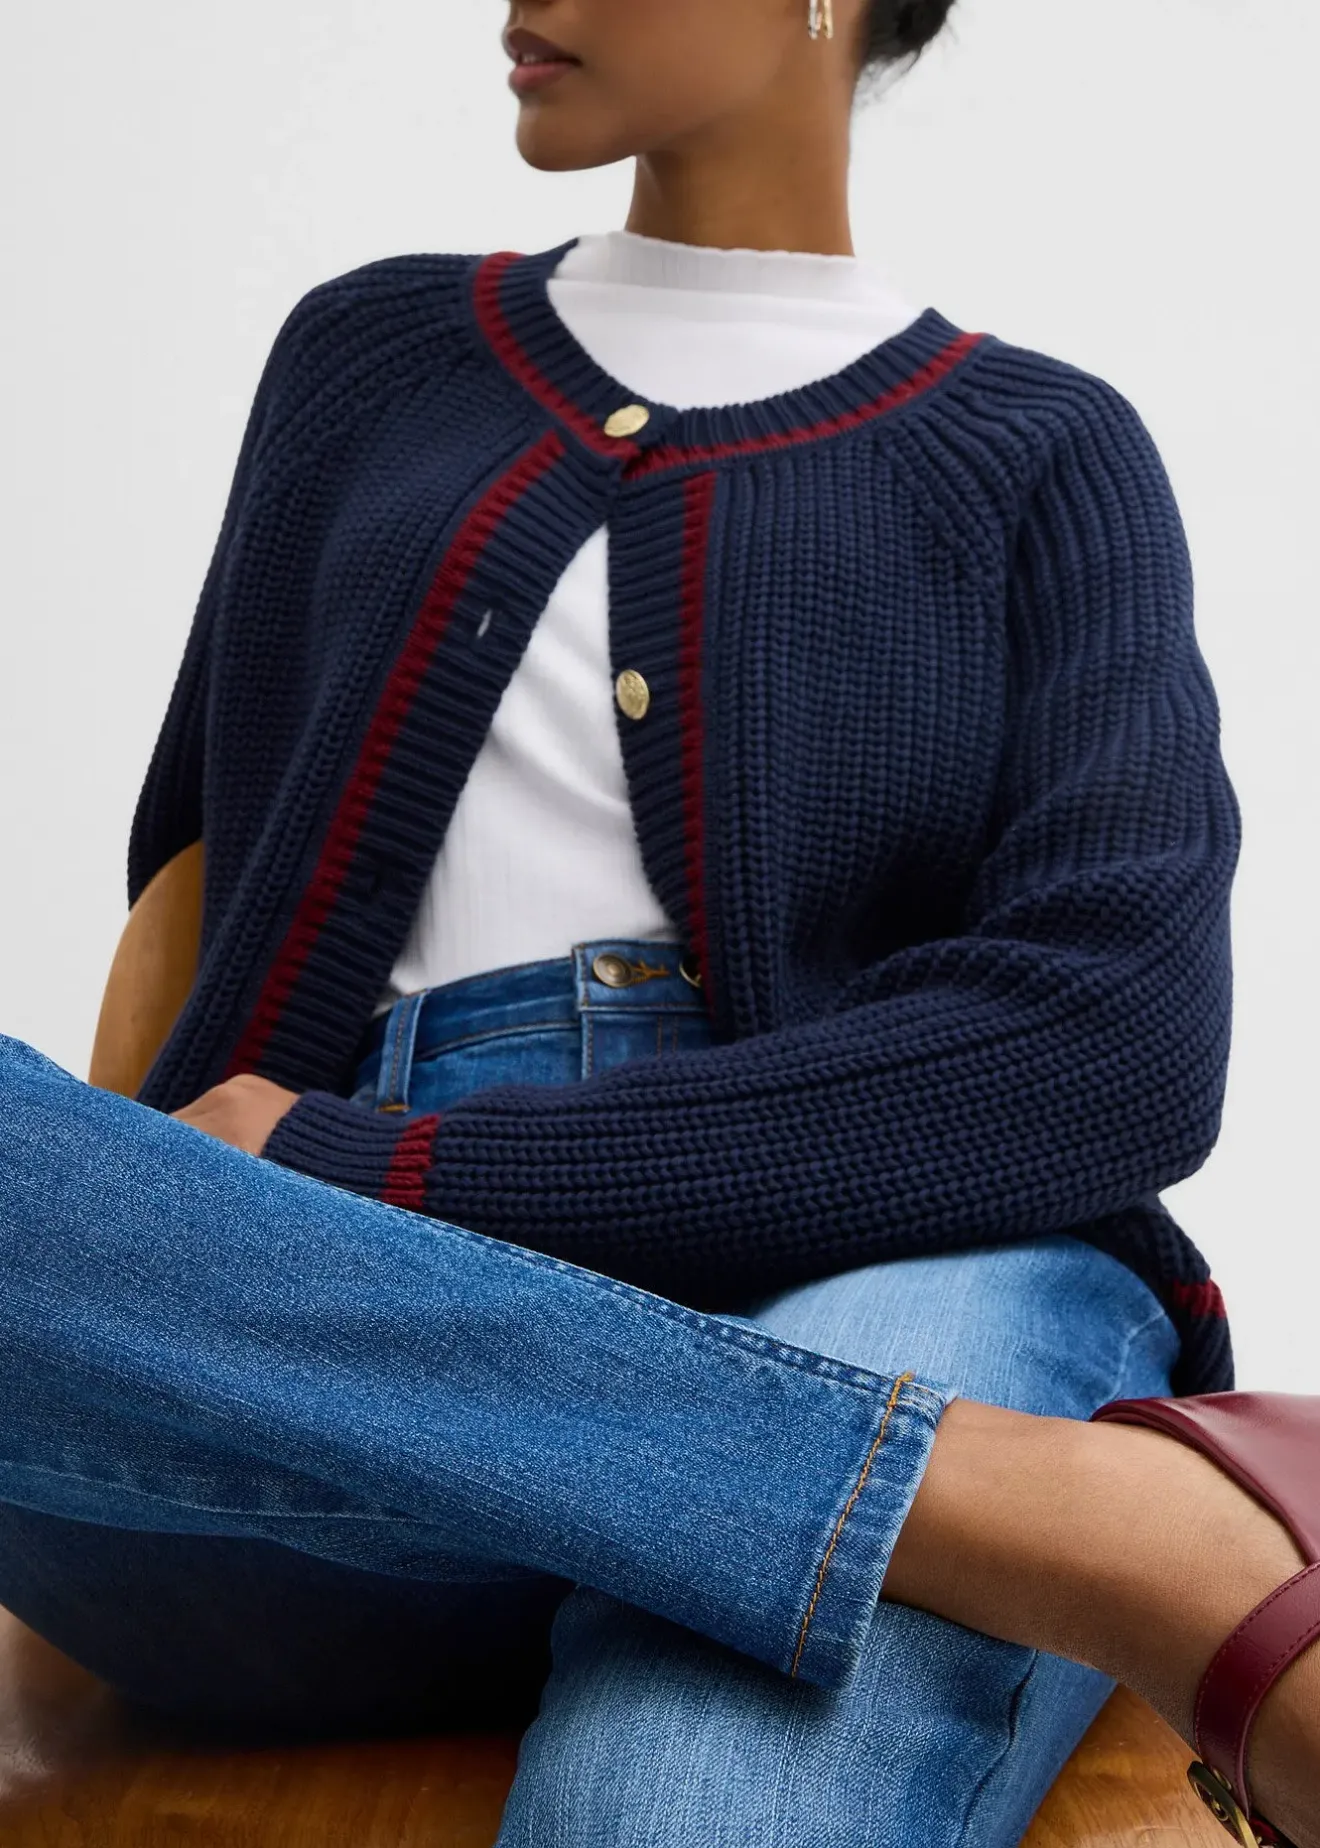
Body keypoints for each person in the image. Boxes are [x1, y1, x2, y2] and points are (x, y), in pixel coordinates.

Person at [1, 1, 1315, 1842]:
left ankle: (844, 1488)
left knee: (677, 1811)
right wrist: (163, 1237)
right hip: (314, 1360)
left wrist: (390, 1175)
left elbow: (1116, 1042)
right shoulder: (366, 354)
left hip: (882, 1263)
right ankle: (1054, 1525)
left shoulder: (1045, 452)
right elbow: (201, 881)